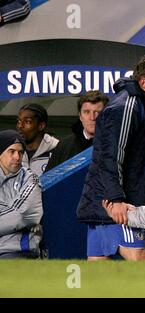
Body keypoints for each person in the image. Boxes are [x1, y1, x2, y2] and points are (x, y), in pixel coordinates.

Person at [76, 55, 145, 261]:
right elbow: (110, 157)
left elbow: (131, 158)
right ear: (144, 83)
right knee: (140, 260)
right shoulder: (126, 107)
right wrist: (117, 199)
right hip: (118, 205)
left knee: (99, 271)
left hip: (103, 201)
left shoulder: (137, 106)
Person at [0, 130, 43, 259]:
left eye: (20, 152)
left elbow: (24, 215)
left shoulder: (30, 179)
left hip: (16, 251)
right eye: (12, 151)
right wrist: (11, 209)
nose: (17, 157)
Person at [45, 91, 109, 172]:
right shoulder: (64, 146)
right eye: (87, 112)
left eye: (98, 113)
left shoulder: (116, 145)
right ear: (80, 116)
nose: (92, 117)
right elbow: (47, 180)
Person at [16, 103, 59, 176]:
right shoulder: (12, 151)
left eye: (27, 122)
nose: (20, 126)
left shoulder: (57, 150)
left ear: (41, 126)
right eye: (19, 121)